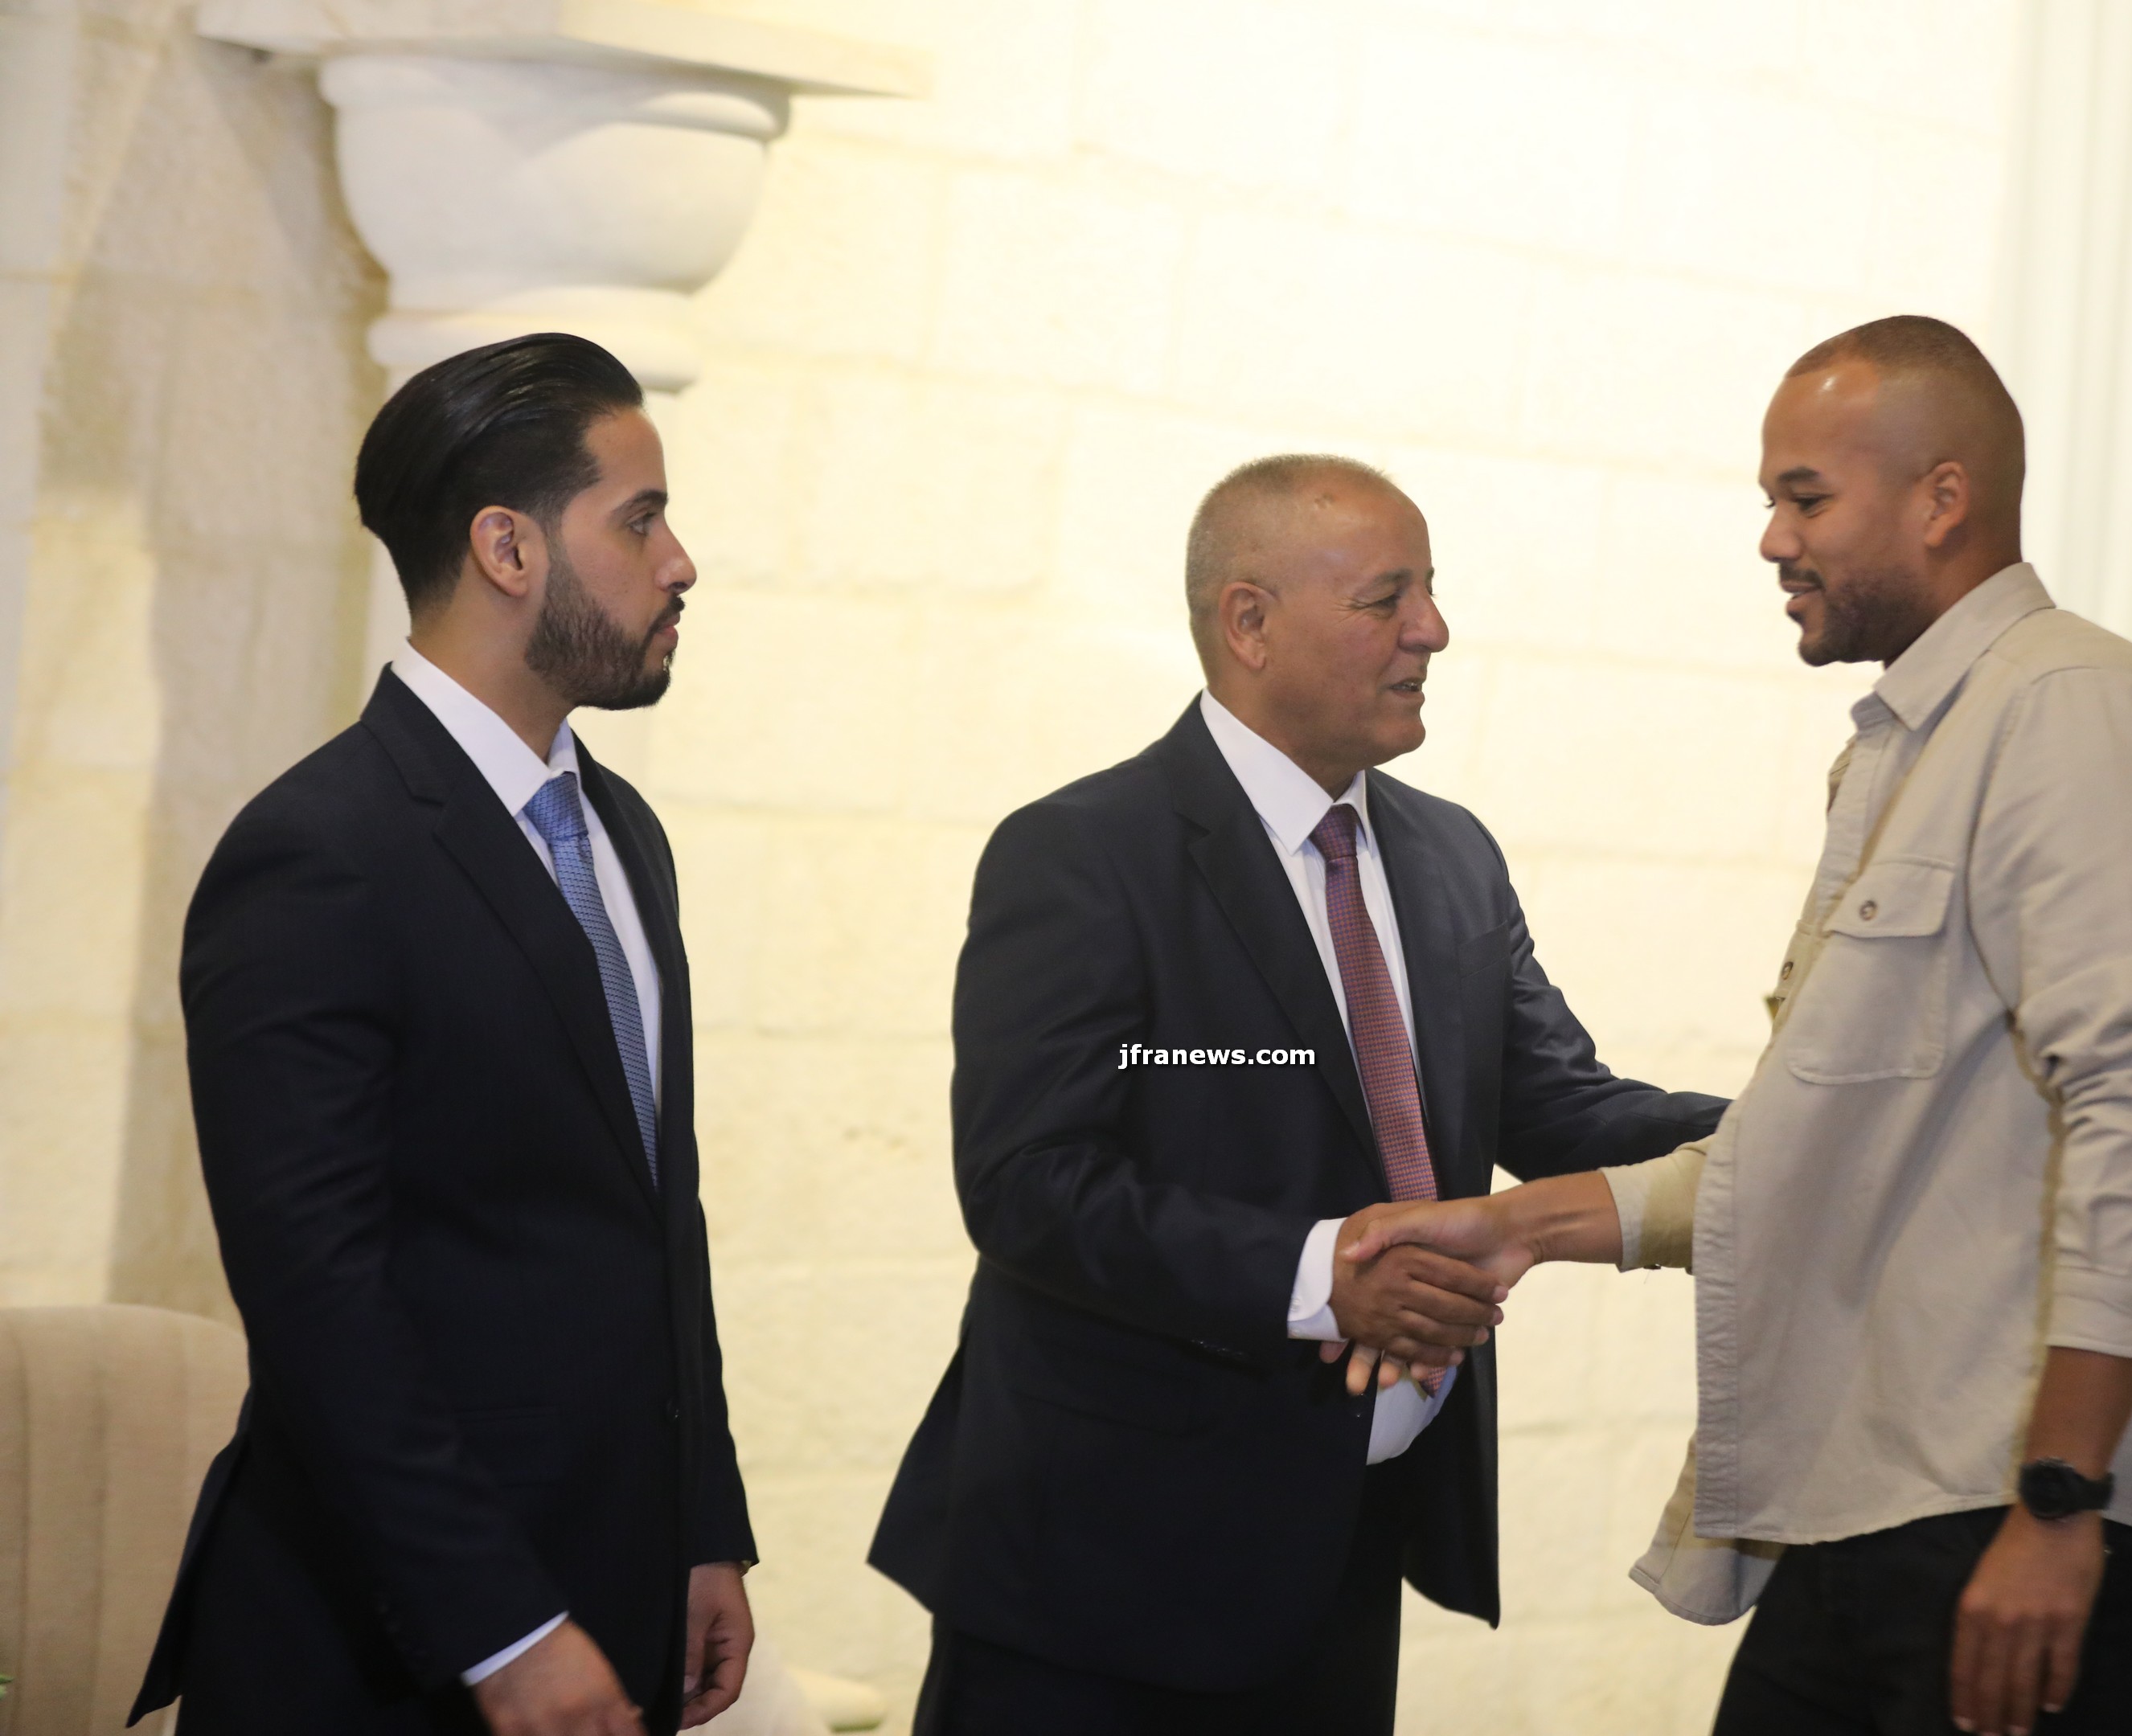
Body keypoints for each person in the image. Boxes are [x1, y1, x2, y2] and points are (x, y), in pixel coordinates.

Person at [1350, 317, 2132, 1735]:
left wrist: (2060, 1501)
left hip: (2037, 1520)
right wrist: (1521, 1225)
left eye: (1806, 498)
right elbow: (1819, 1149)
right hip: (1880, 1514)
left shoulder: (2068, 708)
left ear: (1943, 499)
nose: (1774, 541)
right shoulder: (1909, 748)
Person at [869, 455, 1728, 1734]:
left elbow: (1565, 1110)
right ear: (1250, 623)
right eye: (1388, 598)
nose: (1432, 630)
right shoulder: (1083, 854)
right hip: (1098, 1578)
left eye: (1429, 591)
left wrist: (1809, 1130)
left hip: (1340, 1554)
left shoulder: (1451, 856)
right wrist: (1325, 1273)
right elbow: (1030, 1185)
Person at [130, 334, 756, 1736]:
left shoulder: (624, 833)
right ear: (506, 548)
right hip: (389, 1640)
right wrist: (502, 1628)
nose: (680, 564)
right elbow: (316, 1292)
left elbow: (656, 1220)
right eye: (640, 521)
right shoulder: (320, 850)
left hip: (619, 1579)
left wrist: (703, 1525)